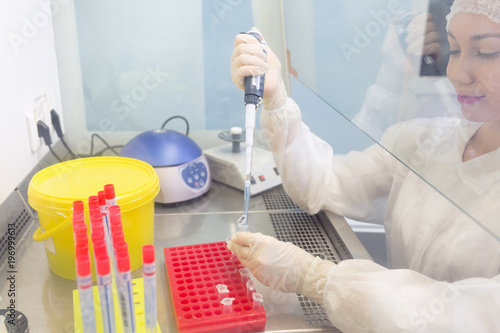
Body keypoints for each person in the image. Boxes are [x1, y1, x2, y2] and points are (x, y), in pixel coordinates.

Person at [228, 0, 500, 332]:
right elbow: (321, 184)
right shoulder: (430, 143)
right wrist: (276, 99)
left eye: (486, 52)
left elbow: (463, 316)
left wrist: (314, 277)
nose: (457, 73)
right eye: (454, 50)